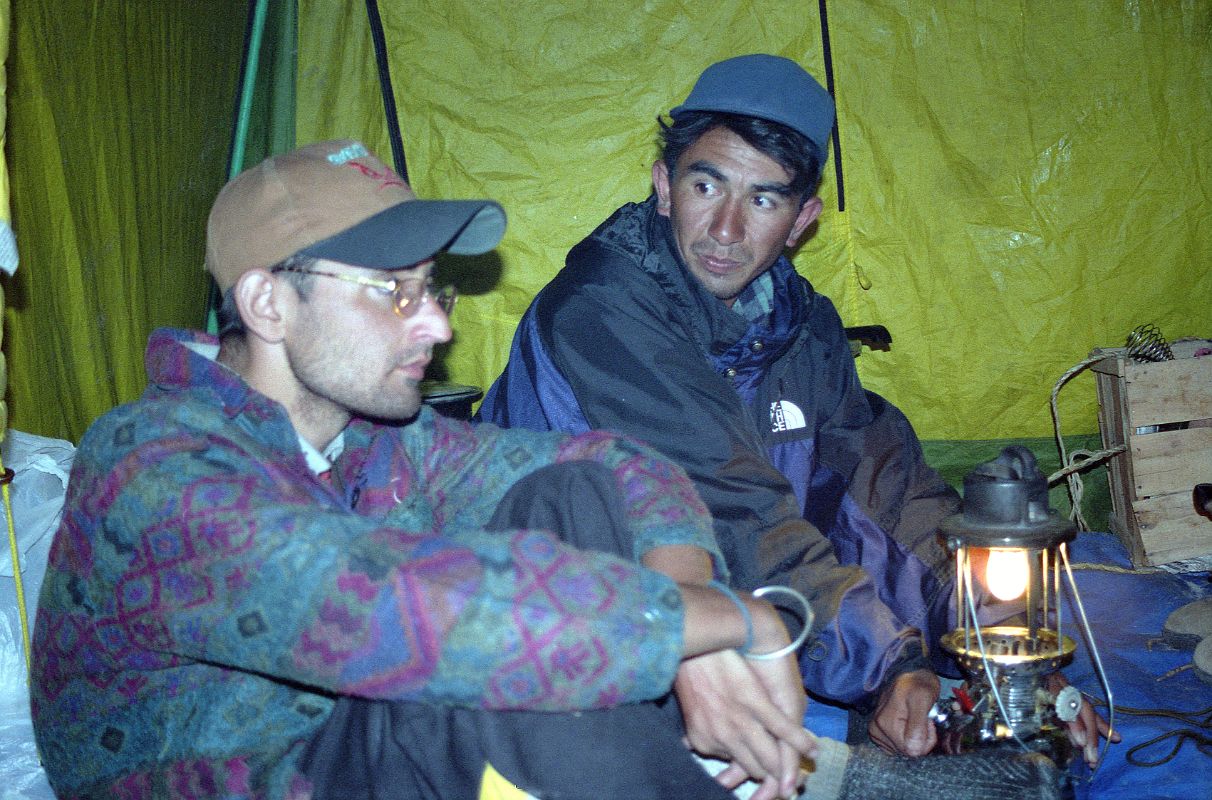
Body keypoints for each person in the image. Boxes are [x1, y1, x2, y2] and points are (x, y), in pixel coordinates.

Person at [30, 139, 1063, 800]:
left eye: (430, 287)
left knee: (562, 501)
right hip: (270, 776)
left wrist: (690, 596)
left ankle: (737, 762)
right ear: (266, 304)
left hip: (356, 744)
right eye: (394, 293)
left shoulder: (375, 440)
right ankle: (801, 780)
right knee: (468, 697)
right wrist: (730, 623)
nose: (436, 323)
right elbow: (402, 610)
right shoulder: (152, 468)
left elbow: (611, 464)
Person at [478, 54, 1112, 767]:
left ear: (802, 219)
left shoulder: (799, 328)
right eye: (705, 183)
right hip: (545, 630)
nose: (724, 229)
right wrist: (888, 669)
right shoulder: (602, 313)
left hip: (722, 612)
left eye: (763, 199)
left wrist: (1001, 646)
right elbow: (735, 509)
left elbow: (882, 493)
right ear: (664, 186)